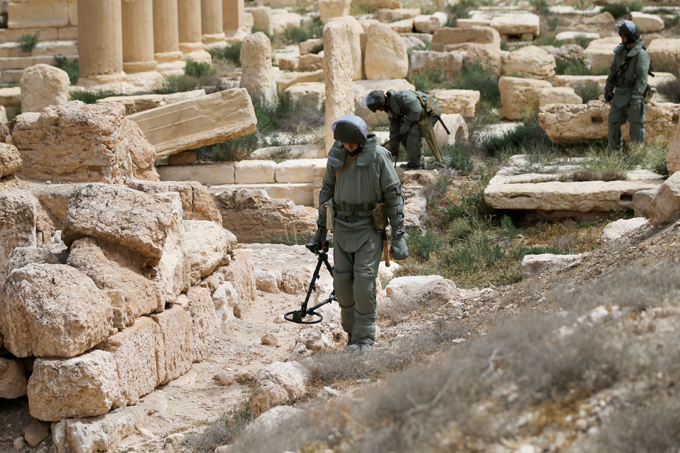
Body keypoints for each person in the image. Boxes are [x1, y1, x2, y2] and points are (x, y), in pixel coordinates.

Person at [310, 114, 408, 352]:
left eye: (353, 142)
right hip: (341, 228)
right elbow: (326, 192)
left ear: (362, 139)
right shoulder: (336, 155)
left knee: (363, 284)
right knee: (343, 286)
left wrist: (399, 236)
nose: (349, 146)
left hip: (369, 229)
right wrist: (321, 230)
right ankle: (352, 334)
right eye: (345, 142)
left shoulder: (379, 157)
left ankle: (364, 339)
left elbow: (394, 198)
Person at [361, 89, 442, 170]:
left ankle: (416, 163)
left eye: (379, 108)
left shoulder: (401, 96)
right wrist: (393, 147)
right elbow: (394, 128)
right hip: (418, 114)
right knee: (404, 136)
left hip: (429, 111)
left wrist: (407, 124)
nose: (381, 110)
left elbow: (416, 109)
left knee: (413, 132)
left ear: (382, 103)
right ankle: (420, 162)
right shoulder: (391, 109)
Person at [604, 19, 650, 152]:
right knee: (613, 123)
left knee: (636, 127)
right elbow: (613, 72)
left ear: (631, 36)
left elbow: (642, 79)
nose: (622, 37)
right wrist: (608, 89)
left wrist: (636, 97)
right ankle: (614, 154)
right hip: (619, 94)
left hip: (633, 94)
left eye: (624, 35)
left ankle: (636, 156)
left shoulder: (641, 55)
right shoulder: (620, 53)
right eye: (621, 35)